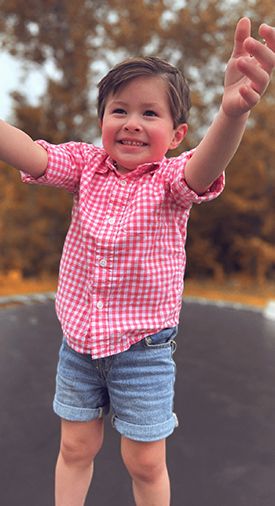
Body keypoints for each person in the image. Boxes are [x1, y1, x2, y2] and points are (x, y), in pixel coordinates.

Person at [1, 17, 274, 506]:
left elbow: (207, 165)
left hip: (142, 351)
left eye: (150, 113)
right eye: (119, 110)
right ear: (102, 120)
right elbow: (32, 156)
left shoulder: (171, 180)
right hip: (79, 346)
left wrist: (232, 114)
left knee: (145, 460)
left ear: (175, 134)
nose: (131, 121)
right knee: (75, 446)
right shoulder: (87, 166)